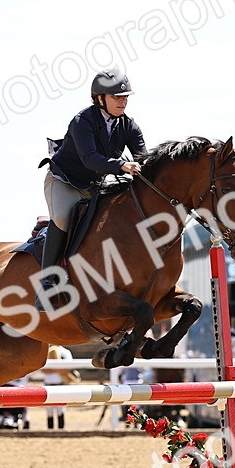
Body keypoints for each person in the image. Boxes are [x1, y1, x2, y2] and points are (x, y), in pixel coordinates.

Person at [38, 70, 147, 307]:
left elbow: (143, 158)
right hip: (64, 181)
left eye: (125, 97)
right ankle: (46, 282)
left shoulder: (128, 125)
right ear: (99, 98)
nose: (123, 101)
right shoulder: (82, 122)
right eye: (117, 97)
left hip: (95, 185)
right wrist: (122, 165)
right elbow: (90, 159)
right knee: (62, 217)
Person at [43, 344, 75, 429]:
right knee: (49, 410)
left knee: (60, 409)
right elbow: (44, 369)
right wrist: (58, 369)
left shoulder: (65, 352)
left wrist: (52, 369)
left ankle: (61, 430)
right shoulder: (46, 351)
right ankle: (50, 430)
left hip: (60, 384)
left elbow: (67, 369)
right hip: (48, 385)